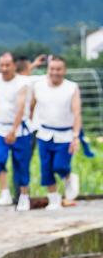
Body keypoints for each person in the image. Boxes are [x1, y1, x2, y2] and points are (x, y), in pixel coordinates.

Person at [30, 56, 86, 209]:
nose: (55, 72)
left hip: (65, 135)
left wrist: (76, 136)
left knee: (60, 166)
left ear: (64, 70)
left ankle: (69, 176)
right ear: (48, 69)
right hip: (44, 133)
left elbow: (77, 113)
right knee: (46, 168)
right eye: (52, 69)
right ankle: (53, 199)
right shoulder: (38, 86)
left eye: (58, 69)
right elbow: (31, 105)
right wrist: (31, 123)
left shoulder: (71, 87)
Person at [0, 53, 33, 211]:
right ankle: (4, 192)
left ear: (14, 66)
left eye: (7, 65)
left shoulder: (22, 82)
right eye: (1, 65)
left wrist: (13, 130)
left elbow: (20, 107)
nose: (4, 68)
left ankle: (24, 196)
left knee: (21, 163)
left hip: (20, 129)